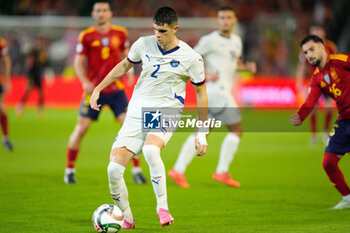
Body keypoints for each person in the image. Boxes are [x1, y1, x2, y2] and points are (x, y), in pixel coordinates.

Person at [90, 6, 208, 228]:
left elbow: (201, 92)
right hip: (136, 112)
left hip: (166, 110)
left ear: (175, 29)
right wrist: (98, 87)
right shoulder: (143, 44)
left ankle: (162, 207)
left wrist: (202, 132)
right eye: (155, 30)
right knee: (113, 170)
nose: (158, 35)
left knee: (151, 150)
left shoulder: (191, 57)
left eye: (163, 31)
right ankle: (127, 218)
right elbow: (125, 64)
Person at [168, 6, 256, 188]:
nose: (225, 20)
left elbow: (233, 64)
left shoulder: (237, 41)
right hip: (217, 91)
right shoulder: (210, 40)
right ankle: (222, 171)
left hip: (220, 92)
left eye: (228, 17)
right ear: (218, 20)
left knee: (203, 132)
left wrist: (245, 68)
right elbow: (190, 59)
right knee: (236, 130)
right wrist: (205, 74)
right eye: (222, 17)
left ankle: (178, 170)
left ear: (234, 20)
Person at [64, 1, 147, 185]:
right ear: (93, 14)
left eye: (104, 10)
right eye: (98, 11)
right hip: (95, 90)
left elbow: (128, 55)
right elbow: (78, 61)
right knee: (81, 129)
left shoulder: (120, 33)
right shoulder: (86, 35)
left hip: (117, 89)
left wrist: (131, 72)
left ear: (110, 13)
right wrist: (85, 81)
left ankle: (136, 170)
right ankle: (69, 169)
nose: (101, 13)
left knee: (130, 128)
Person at [291, 35, 350, 209]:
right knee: (329, 162)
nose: (309, 55)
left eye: (312, 49)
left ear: (323, 47)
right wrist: (300, 116)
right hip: (344, 120)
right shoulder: (317, 78)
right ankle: (347, 197)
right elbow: (311, 101)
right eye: (306, 52)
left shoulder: (341, 60)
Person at [295, 24, 337, 144]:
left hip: (328, 81)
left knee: (329, 107)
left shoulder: (330, 46)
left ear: (323, 32)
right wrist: (299, 85)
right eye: (314, 32)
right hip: (313, 82)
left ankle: (325, 133)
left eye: (318, 31)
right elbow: (301, 66)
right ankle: (313, 135)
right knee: (313, 108)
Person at [16, 36, 49, 117]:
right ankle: (20, 106)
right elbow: (29, 62)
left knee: (41, 92)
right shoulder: (34, 51)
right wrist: (27, 74)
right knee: (28, 90)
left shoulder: (42, 52)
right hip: (31, 74)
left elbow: (43, 63)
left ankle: (39, 108)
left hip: (37, 75)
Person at [0, 36, 13, 151]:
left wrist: (8, 81)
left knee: (2, 110)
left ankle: (5, 137)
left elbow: (7, 61)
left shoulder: (1, 42)